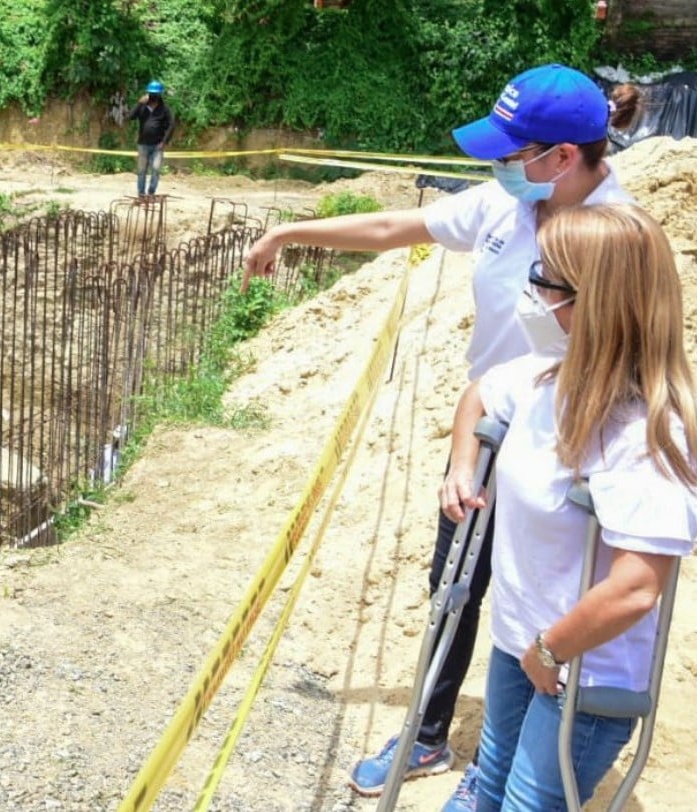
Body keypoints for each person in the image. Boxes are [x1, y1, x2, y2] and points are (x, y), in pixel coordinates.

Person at [241, 64, 642, 811]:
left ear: (562, 156)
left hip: (575, 451)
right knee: (456, 584)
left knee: (551, 602)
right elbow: (393, 228)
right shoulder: (503, 204)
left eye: (512, 153)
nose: (499, 167)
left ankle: (534, 763)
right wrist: (290, 230)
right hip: (489, 428)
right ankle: (430, 733)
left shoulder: (620, 235)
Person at [441, 203, 697, 811]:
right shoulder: (547, 376)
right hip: (521, 640)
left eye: (545, 279)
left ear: (596, 302)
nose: (531, 291)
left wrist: (549, 649)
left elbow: (637, 587)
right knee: (490, 783)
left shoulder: (644, 434)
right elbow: (478, 394)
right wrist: (460, 466)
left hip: (581, 671)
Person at [128, 80, 175, 199]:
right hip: (143, 145)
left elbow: (171, 125)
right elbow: (130, 116)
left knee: (156, 170)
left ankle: (151, 192)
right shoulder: (142, 107)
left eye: (155, 94)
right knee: (141, 171)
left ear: (159, 95)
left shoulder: (164, 109)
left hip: (157, 146)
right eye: (151, 93)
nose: (153, 96)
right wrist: (139, 103)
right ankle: (141, 193)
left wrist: (165, 141)